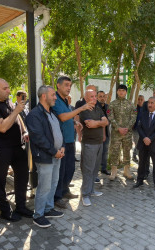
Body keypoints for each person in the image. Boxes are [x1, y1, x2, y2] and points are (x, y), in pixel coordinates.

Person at [0, 78, 32, 222]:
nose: (9, 91)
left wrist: (24, 130)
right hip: (0, 149)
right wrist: (16, 110)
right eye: (5, 88)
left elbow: (17, 118)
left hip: (17, 146)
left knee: (22, 176)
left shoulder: (8, 102)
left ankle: (21, 206)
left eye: (9, 87)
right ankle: (5, 210)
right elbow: (2, 127)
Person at [26, 86, 65, 228]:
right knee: (44, 186)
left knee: (53, 183)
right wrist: (54, 151)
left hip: (56, 155)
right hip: (45, 157)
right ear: (44, 96)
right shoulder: (34, 115)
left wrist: (62, 147)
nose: (55, 97)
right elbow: (38, 138)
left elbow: (59, 131)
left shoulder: (52, 112)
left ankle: (48, 209)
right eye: (53, 95)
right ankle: (38, 215)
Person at [52, 76, 93, 209]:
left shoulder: (65, 100)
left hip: (70, 140)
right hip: (61, 141)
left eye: (70, 85)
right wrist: (81, 109)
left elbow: (67, 116)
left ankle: (65, 191)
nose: (69, 88)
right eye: (66, 85)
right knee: (60, 170)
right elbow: (62, 117)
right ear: (58, 85)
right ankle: (57, 197)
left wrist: (75, 122)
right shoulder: (56, 100)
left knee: (69, 169)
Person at [79, 90, 108, 206]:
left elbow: (106, 122)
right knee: (88, 170)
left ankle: (91, 190)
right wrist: (100, 122)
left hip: (99, 143)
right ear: (86, 98)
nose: (95, 98)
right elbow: (89, 124)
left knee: (95, 169)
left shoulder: (98, 108)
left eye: (95, 96)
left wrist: (97, 123)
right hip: (89, 144)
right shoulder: (84, 110)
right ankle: (85, 195)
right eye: (92, 96)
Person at [133, 97, 155, 192]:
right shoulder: (143, 114)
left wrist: (150, 138)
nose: (149, 105)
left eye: (152, 103)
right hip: (143, 143)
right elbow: (139, 127)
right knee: (142, 163)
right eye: (148, 103)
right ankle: (139, 180)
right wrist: (144, 138)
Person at [108, 85, 137, 180]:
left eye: (123, 91)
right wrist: (118, 128)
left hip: (127, 133)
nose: (121, 92)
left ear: (126, 92)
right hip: (116, 133)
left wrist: (127, 128)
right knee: (114, 151)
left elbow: (134, 117)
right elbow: (110, 117)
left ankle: (126, 170)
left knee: (127, 151)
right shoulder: (112, 104)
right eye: (119, 90)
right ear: (117, 92)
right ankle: (114, 171)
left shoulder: (130, 104)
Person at [97, 90, 111, 175]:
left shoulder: (107, 107)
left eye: (103, 96)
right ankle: (96, 170)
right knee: (97, 153)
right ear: (97, 97)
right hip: (97, 134)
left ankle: (104, 168)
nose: (102, 98)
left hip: (107, 132)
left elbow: (110, 119)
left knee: (105, 152)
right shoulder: (95, 107)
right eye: (100, 96)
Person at [132, 95, 145, 163]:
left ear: (144, 100)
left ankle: (134, 155)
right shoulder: (134, 108)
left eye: (141, 99)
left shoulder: (146, 108)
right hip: (135, 129)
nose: (139, 101)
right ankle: (141, 160)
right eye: (138, 99)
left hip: (143, 130)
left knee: (140, 144)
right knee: (138, 143)